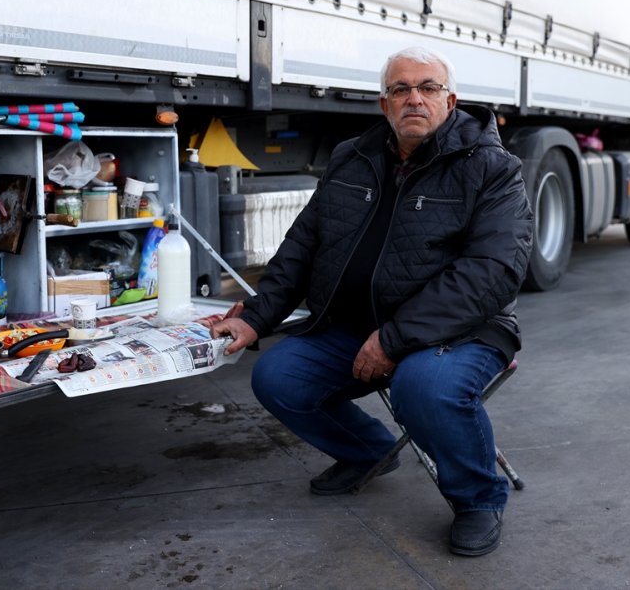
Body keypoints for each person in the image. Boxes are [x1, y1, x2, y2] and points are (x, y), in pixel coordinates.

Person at [210, 46, 534, 557]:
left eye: (427, 88)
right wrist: (255, 317)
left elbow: (491, 273)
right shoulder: (351, 158)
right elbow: (303, 245)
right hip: (356, 324)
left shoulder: (493, 169)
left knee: (422, 384)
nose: (414, 99)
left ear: (450, 100)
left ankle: (477, 499)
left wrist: (394, 339)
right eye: (400, 90)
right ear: (384, 104)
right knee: (277, 376)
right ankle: (369, 451)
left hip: (464, 330)